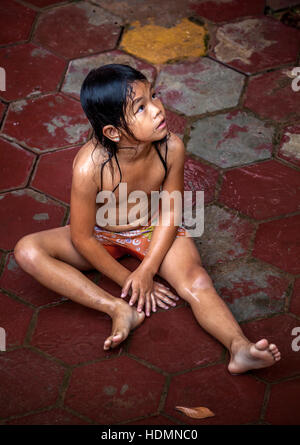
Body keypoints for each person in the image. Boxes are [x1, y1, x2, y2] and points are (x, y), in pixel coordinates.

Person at [14, 64, 281, 374]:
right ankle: (117, 309)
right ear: (113, 132)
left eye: (153, 96)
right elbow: (82, 237)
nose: (157, 109)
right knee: (27, 250)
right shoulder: (89, 167)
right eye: (140, 108)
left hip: (154, 228)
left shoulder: (171, 148)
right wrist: (130, 281)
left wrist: (148, 269)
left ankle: (239, 347)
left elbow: (171, 210)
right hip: (103, 234)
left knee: (196, 280)